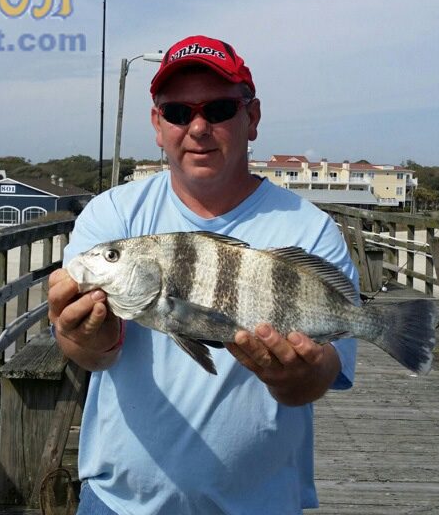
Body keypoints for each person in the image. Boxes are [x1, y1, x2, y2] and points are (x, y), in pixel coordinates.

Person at [47, 35, 359, 514]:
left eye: (218, 110)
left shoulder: (308, 228)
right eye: (177, 112)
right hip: (120, 502)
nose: (197, 127)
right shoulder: (112, 215)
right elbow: (88, 354)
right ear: (157, 124)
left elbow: (320, 375)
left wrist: (297, 374)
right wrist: (85, 335)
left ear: (251, 119)